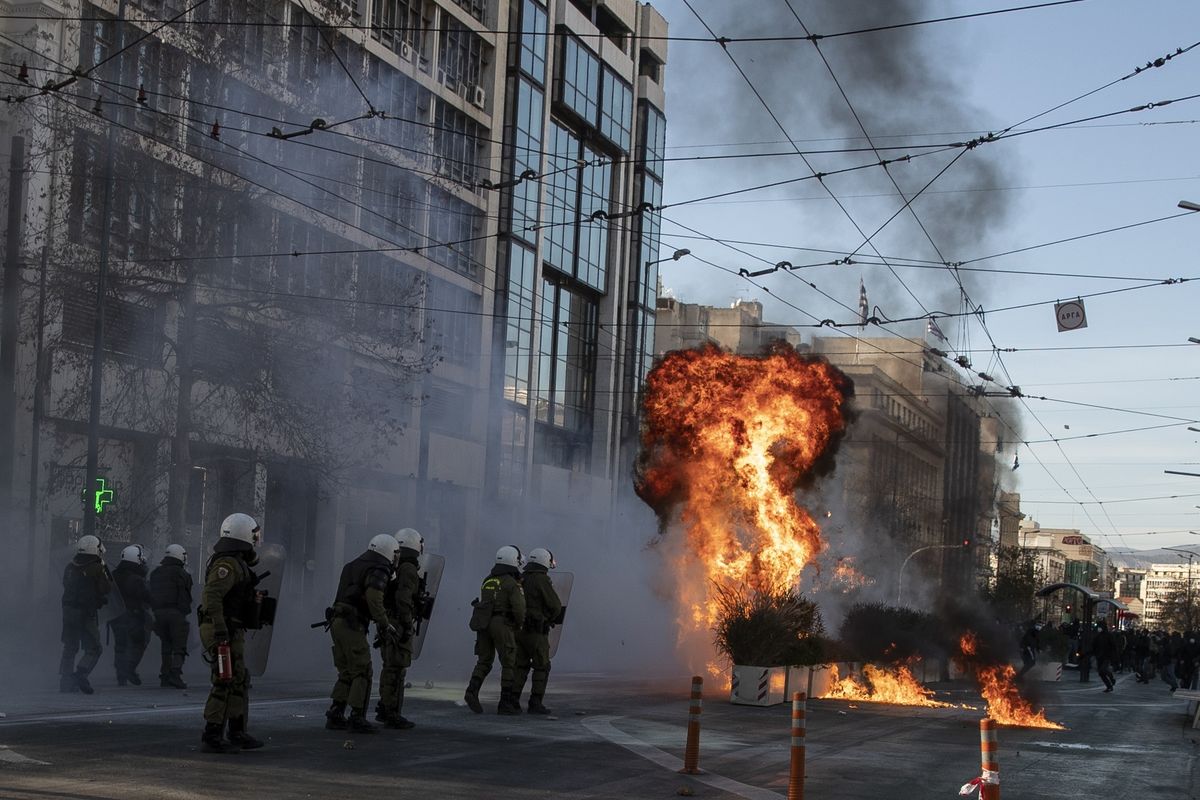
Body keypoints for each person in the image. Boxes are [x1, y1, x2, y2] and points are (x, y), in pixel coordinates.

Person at [197, 513, 266, 753]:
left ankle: (237, 731)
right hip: (221, 628)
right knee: (224, 678)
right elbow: (211, 596)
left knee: (238, 677)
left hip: (230, 628)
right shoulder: (227, 564)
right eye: (254, 535)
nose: (256, 540)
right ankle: (212, 734)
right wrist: (219, 630)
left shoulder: (237, 563)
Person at [326, 533, 400, 734]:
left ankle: (336, 713)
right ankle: (357, 717)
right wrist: (385, 624)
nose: (395, 558)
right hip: (352, 624)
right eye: (395, 554)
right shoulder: (380, 568)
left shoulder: (352, 565)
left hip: (337, 621)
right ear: (387, 552)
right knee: (362, 670)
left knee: (346, 671)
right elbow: (374, 598)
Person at [464, 545, 526, 715]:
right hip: (502, 624)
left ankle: (472, 691)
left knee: (484, 660)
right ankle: (505, 703)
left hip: (483, 623)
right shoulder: (512, 583)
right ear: (514, 561)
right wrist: (519, 624)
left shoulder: (488, 579)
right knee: (509, 662)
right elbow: (519, 609)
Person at [375, 528, 424, 730]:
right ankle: (392, 711)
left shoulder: (393, 565)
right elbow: (404, 599)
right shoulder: (409, 569)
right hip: (397, 621)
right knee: (397, 668)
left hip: (387, 619)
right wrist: (406, 624)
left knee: (389, 666)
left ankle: (385, 707)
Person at [59, 535, 113, 694]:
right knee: (94, 647)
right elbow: (106, 588)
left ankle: (65, 680)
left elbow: (66, 585)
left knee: (70, 646)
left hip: (68, 611)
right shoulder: (96, 567)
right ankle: (81, 674)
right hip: (86, 612)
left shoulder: (69, 566)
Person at [513, 548, 563, 715]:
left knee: (520, 665)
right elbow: (555, 605)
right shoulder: (541, 579)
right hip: (536, 632)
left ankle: (512, 701)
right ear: (544, 561)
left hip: (519, 630)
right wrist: (549, 618)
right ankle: (535, 703)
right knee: (542, 666)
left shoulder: (522, 577)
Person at [149, 544, 193, 689]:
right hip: (176, 614)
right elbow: (186, 596)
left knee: (166, 645)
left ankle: (165, 676)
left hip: (158, 614)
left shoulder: (155, 573)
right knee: (179, 646)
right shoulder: (182, 574)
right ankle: (175, 674)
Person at [111, 544, 153, 686]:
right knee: (140, 643)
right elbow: (146, 596)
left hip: (116, 615)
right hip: (134, 615)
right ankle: (129, 668)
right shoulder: (136, 579)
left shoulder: (113, 575)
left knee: (120, 645)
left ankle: (120, 675)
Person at [1092, 621, 1117, 692]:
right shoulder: (1098, 635)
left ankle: (1111, 678)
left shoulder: (1108, 635)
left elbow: (1113, 646)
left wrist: (1113, 656)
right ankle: (1109, 686)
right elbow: (1094, 645)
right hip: (1099, 656)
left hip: (1106, 656)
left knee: (1103, 670)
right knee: (1101, 673)